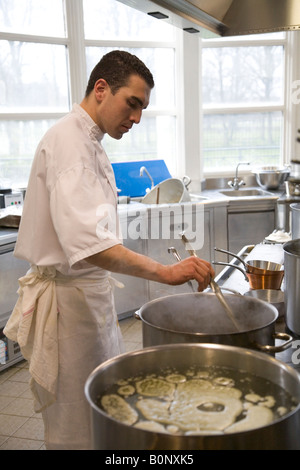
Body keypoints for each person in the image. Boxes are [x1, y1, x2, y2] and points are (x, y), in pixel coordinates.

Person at [4, 51, 214, 450]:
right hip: (70, 313)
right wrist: (168, 272)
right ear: (101, 89)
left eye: (143, 109)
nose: (136, 118)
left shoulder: (90, 140)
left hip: (87, 302)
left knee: (102, 412)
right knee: (78, 430)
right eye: (132, 103)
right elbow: (92, 248)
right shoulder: (71, 145)